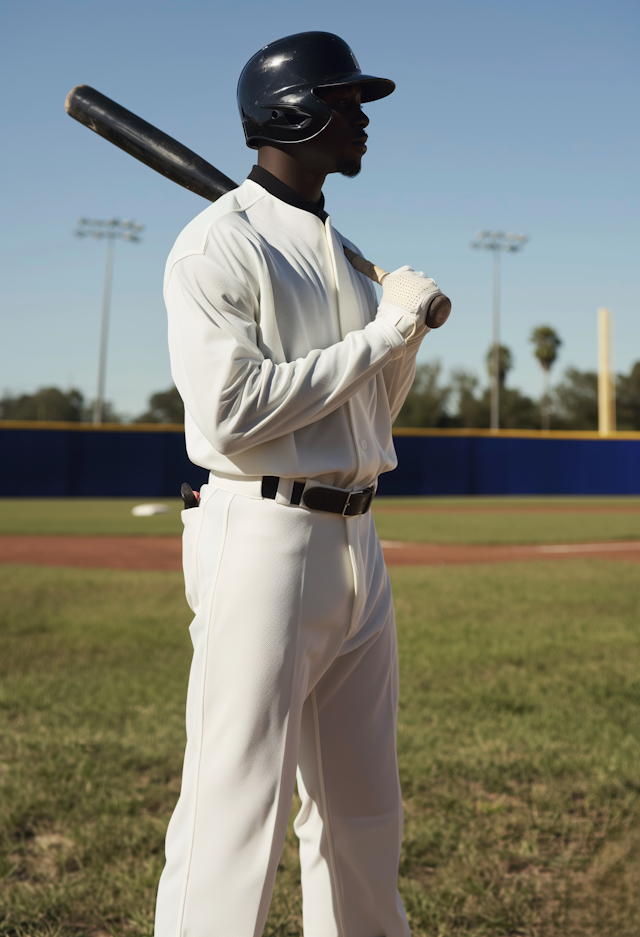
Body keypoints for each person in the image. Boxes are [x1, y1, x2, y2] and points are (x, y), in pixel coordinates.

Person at [155, 31, 449, 937]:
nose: (363, 119)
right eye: (348, 101)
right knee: (233, 811)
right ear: (294, 113)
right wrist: (383, 334)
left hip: (358, 537)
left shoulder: (334, 249)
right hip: (263, 536)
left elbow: (369, 409)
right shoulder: (216, 246)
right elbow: (235, 411)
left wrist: (405, 337)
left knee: (363, 814)